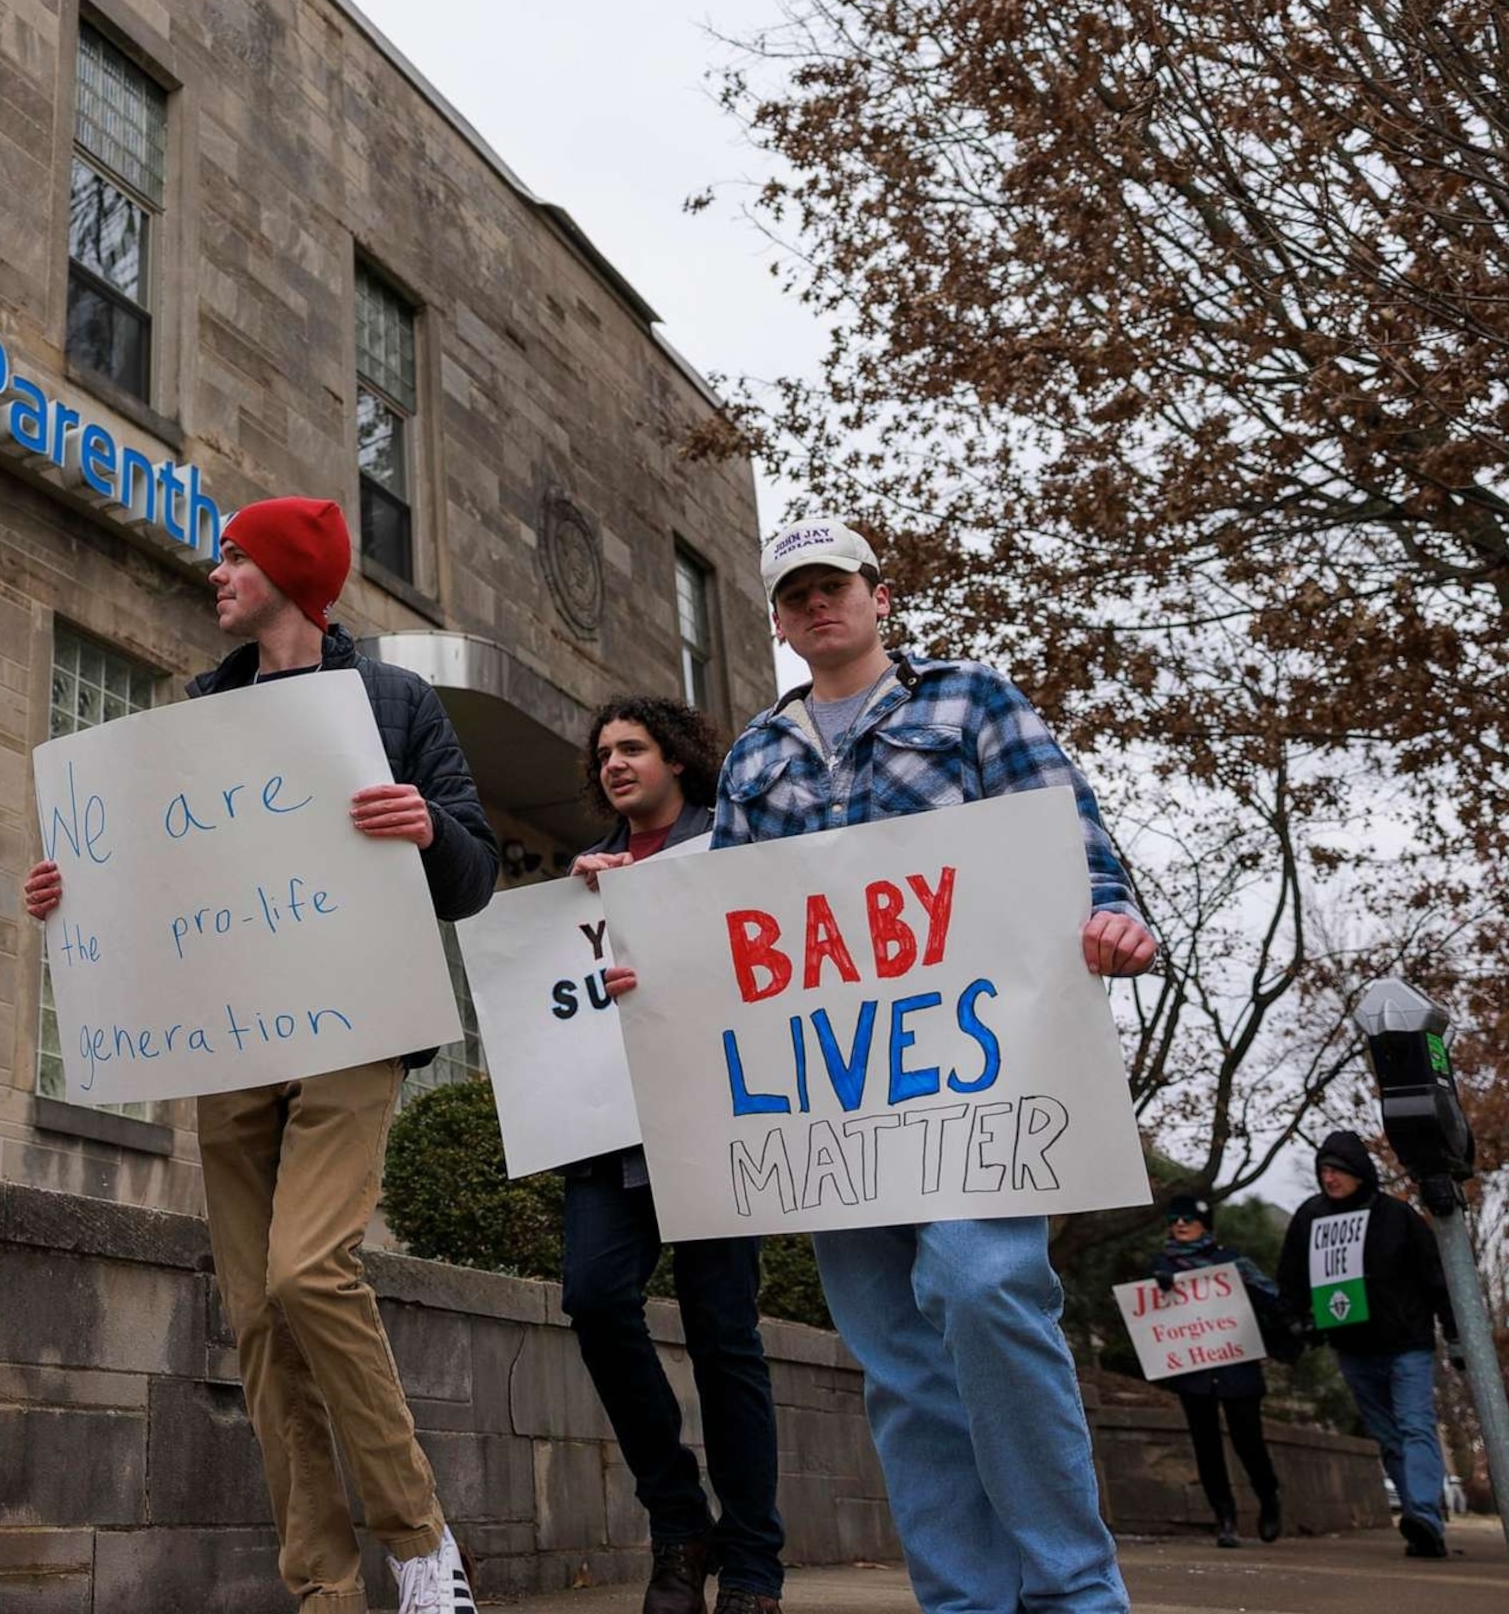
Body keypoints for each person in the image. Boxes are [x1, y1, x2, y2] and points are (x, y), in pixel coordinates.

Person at [611, 519, 1159, 1614]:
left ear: (879, 595)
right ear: (775, 618)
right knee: (901, 1366)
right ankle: (964, 1600)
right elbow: (736, 923)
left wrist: (1116, 918)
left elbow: (1068, 831)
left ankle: (1074, 1593)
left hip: (977, 1078)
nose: (818, 606)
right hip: (834, 1100)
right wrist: (653, 967)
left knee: (983, 1284)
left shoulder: (972, 702)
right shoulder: (760, 755)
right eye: (796, 594)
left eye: (836, 587)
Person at [22, 496, 497, 1614]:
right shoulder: (198, 711)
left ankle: (423, 1547)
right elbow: (154, 873)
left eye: (236, 554)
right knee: (256, 1315)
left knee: (307, 1271)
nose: (215, 570)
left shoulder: (393, 701)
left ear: (293, 572)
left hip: (352, 1025)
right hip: (227, 1033)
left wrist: (427, 825)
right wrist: (66, 891)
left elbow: (472, 876)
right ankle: (323, 1591)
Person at [562, 698, 783, 1614]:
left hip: (716, 1116)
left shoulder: (730, 847)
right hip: (612, 1130)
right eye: (604, 752)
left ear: (679, 761)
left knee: (723, 1333)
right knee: (595, 1296)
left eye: (633, 748)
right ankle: (678, 1518)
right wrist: (580, 908)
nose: (614, 763)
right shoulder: (584, 874)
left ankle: (756, 1564)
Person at [1276, 1130, 1458, 1559]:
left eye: (1337, 1170)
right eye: (1323, 1170)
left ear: (1358, 1172)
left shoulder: (1397, 1217)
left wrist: (1454, 1334)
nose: (1329, 1178)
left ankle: (1426, 1516)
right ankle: (1419, 1522)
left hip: (1406, 1344)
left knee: (1415, 1426)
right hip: (1353, 1349)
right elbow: (1293, 1278)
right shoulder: (1310, 1218)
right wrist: (1297, 1322)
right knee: (1389, 1438)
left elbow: (1435, 1277)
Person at [1147, 1190, 1284, 1548]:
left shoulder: (1232, 1262)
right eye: (1174, 1220)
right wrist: (1159, 1285)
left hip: (1236, 1366)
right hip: (1194, 1373)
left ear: (1204, 1224)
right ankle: (1225, 1518)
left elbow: (1271, 1297)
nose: (1179, 1225)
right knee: (1206, 1447)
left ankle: (1268, 1498)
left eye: (1187, 1219)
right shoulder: (1164, 1265)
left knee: (1248, 1439)